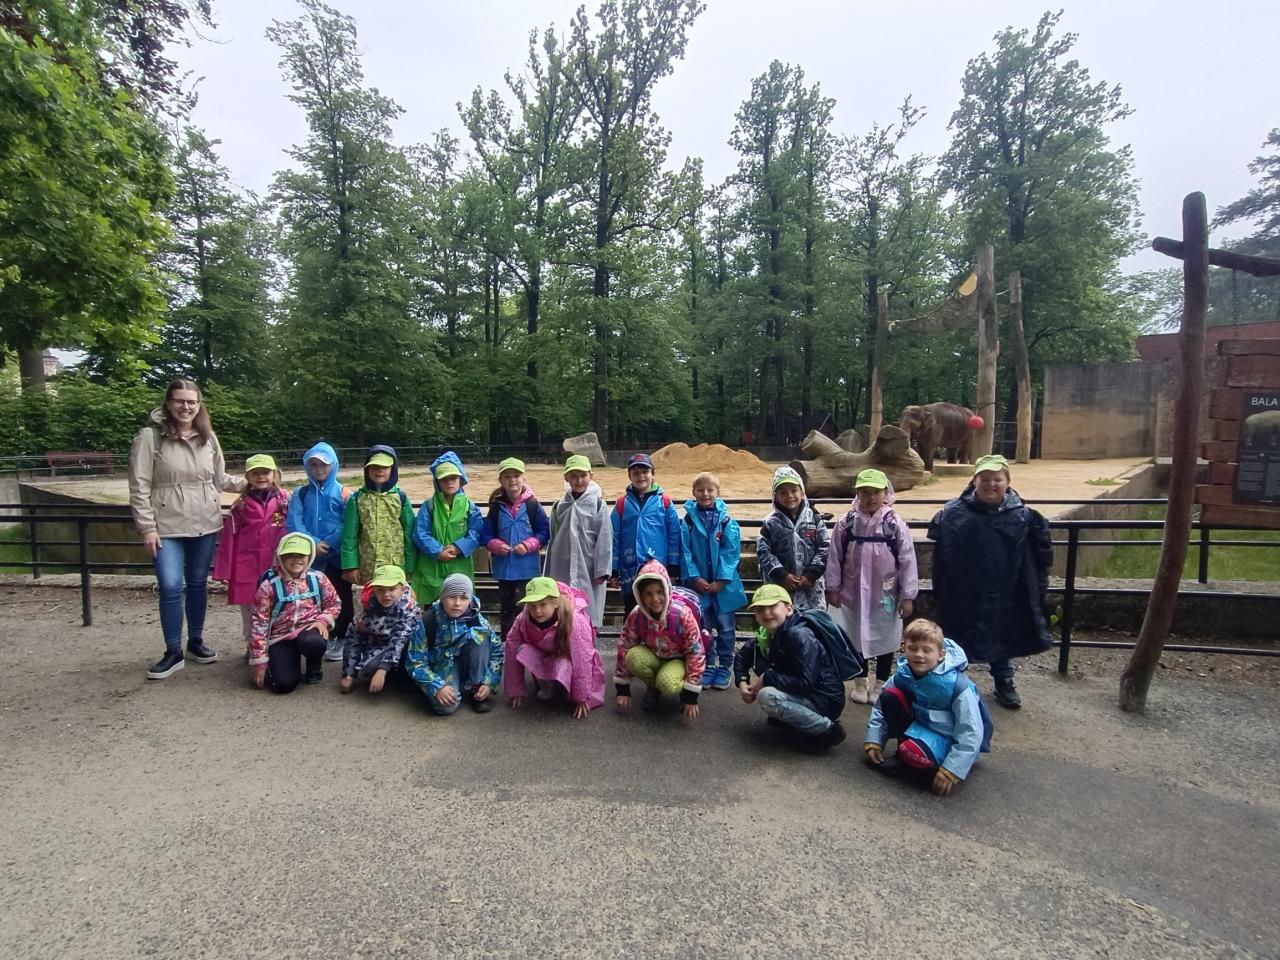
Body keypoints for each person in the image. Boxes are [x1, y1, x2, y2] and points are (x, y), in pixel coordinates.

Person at [128, 379, 245, 680]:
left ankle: (195, 640)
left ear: (199, 404)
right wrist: (147, 527)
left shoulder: (208, 436)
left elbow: (219, 478)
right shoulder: (150, 438)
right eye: (180, 401)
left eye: (192, 402)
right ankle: (172, 650)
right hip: (166, 525)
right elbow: (139, 486)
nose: (186, 407)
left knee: (196, 584)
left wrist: (256, 482)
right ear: (169, 403)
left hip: (204, 522)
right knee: (170, 585)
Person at [928, 454, 1053, 710]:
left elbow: (1041, 556)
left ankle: (1004, 681)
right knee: (957, 636)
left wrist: (1038, 587)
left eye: (997, 479)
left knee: (1001, 633)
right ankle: (951, 684)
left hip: (1006, 587)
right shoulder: (952, 513)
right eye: (985, 479)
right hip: (964, 588)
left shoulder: (1024, 515)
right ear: (974, 481)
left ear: (1007, 482)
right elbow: (941, 558)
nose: (991, 484)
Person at [864, 619, 993, 796]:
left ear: (940, 654)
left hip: (947, 737)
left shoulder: (957, 686)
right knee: (889, 696)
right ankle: (905, 752)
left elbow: (971, 730)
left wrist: (952, 770)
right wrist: (874, 739)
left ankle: (926, 761)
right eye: (913, 648)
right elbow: (880, 707)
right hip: (920, 725)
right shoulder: (903, 674)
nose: (919, 655)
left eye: (926, 650)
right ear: (903, 648)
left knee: (913, 754)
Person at [824, 468, 918, 703]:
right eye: (864, 492)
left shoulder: (894, 524)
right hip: (853, 593)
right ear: (857, 493)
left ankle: (881, 682)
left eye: (876, 492)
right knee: (855, 635)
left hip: (885, 594)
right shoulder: (846, 523)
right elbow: (834, 557)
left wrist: (907, 595)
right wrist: (832, 587)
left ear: (885, 492)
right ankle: (860, 680)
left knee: (885, 636)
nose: (870, 497)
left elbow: (907, 560)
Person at [733, 584, 847, 750]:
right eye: (760, 609)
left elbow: (805, 683)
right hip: (806, 692)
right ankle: (792, 720)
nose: (766, 613)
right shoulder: (767, 634)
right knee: (767, 676)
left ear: (789, 609)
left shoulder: (799, 635)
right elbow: (742, 656)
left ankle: (827, 730)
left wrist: (767, 677)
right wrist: (743, 683)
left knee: (767, 696)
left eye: (772, 606)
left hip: (824, 699)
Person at [213, 454, 290, 656]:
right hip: (246, 566)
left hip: (276, 564)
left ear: (275, 474)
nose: (261, 477)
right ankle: (253, 645)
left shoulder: (285, 500)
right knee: (250, 609)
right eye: (255, 473)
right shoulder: (241, 505)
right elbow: (229, 539)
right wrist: (224, 571)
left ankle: (276, 644)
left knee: (279, 604)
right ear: (248, 476)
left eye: (265, 472)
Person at [247, 532, 341, 694]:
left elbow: (334, 603)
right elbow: (259, 624)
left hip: (309, 630)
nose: (296, 560)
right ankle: (285, 661)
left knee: (314, 643)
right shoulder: (269, 586)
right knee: (283, 685)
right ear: (280, 557)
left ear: (309, 556)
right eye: (289, 555)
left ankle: (314, 664)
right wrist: (259, 662)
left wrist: (322, 620)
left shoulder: (318, 579)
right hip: (280, 636)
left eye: (301, 555)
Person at [285, 441, 354, 662]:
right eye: (313, 465)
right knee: (312, 598)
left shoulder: (345, 493)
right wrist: (313, 543)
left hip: (336, 558)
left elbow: (349, 523)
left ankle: (340, 637)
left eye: (324, 464)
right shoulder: (301, 493)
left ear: (333, 465)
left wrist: (329, 542)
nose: (319, 469)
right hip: (310, 557)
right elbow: (295, 522)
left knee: (341, 596)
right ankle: (314, 636)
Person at [680, 472, 747, 691]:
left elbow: (731, 553)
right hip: (699, 586)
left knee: (726, 628)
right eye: (700, 490)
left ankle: (725, 665)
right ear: (693, 492)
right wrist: (694, 577)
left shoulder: (727, 522)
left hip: (723, 588)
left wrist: (722, 579)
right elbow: (685, 551)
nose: (705, 494)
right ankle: (707, 663)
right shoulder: (688, 522)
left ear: (718, 492)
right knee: (703, 627)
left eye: (710, 490)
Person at [613, 560, 704, 721]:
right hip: (654, 655)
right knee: (632, 656)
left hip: (678, 660)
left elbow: (695, 652)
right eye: (648, 594)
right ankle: (653, 687)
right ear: (639, 595)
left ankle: (682, 690)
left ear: (667, 589)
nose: (655, 599)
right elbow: (625, 645)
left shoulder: (682, 615)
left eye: (660, 592)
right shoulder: (637, 614)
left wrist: (691, 695)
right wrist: (622, 689)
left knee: (667, 683)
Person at [503, 577, 604, 719]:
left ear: (555, 602)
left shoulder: (574, 621)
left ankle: (565, 688)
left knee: (563, 664)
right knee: (522, 650)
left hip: (567, 658)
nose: (537, 611)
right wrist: (515, 690)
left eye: (543, 604)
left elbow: (582, 659)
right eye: (532, 605)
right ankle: (547, 684)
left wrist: (581, 697)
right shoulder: (523, 618)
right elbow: (511, 647)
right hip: (546, 654)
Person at [405, 573, 502, 716]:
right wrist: (436, 686)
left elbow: (496, 652)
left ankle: (476, 687)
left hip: (470, 664)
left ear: (470, 599)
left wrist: (489, 682)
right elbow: (415, 662)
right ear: (443, 597)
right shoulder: (428, 621)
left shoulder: (478, 620)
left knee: (480, 637)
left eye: (463, 598)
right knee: (445, 707)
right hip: (442, 666)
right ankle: (453, 688)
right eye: (451, 597)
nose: (457, 603)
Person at [483, 457, 550, 640]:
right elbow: (486, 534)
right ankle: (508, 642)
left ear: (523, 478)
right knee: (506, 608)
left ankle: (527, 642)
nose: (512, 480)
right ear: (501, 480)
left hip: (527, 569)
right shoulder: (496, 507)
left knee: (527, 608)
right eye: (507, 476)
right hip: (504, 569)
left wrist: (529, 545)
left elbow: (544, 531)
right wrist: (496, 545)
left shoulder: (533, 505)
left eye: (516, 475)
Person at [544, 454, 612, 629]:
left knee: (588, 611)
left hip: (588, 566)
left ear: (591, 475)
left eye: (583, 475)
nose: (579, 480)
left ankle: (587, 642)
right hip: (562, 566)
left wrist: (602, 570)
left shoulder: (598, 505)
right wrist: (549, 571)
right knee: (563, 610)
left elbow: (604, 538)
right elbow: (553, 539)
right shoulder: (559, 506)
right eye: (574, 476)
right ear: (566, 477)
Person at [611, 452, 681, 616]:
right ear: (629, 476)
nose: (641, 476)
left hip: (658, 568)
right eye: (635, 473)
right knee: (632, 613)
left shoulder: (665, 502)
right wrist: (613, 569)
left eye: (645, 472)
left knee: (658, 611)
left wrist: (673, 567)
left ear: (653, 474)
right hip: (630, 568)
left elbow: (674, 536)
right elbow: (614, 537)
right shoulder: (622, 504)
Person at [412, 451, 484, 605]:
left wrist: (458, 547)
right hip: (432, 564)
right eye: (444, 479)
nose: (449, 483)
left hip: (459, 564)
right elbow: (420, 533)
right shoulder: (429, 506)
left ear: (461, 479)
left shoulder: (470, 507)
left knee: (459, 604)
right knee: (432, 606)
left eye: (453, 478)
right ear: (437, 482)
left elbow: (476, 532)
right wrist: (437, 551)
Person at [340, 446, 416, 588]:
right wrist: (350, 566)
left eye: (384, 467)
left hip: (395, 565)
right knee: (370, 597)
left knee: (394, 597)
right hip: (367, 565)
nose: (379, 471)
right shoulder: (357, 499)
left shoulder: (401, 498)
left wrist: (410, 565)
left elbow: (409, 533)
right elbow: (349, 535)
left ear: (392, 469)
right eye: (374, 467)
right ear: (367, 470)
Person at [757, 465, 830, 612]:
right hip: (781, 587)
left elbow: (824, 547)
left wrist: (811, 575)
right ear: (775, 496)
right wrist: (781, 575)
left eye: (794, 490)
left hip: (811, 587)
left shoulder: (814, 519)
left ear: (802, 493)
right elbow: (764, 551)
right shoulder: (770, 523)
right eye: (783, 492)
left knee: (812, 621)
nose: (789, 496)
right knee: (783, 620)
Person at [340, 564, 420, 696]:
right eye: (380, 590)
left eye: (392, 589)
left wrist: (382, 669)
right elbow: (352, 638)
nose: (386, 595)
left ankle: (400, 676)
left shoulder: (410, 609)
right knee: (368, 670)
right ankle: (384, 673)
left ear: (403, 589)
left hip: (406, 649)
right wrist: (349, 674)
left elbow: (401, 639)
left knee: (404, 656)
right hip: (379, 646)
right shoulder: (367, 606)